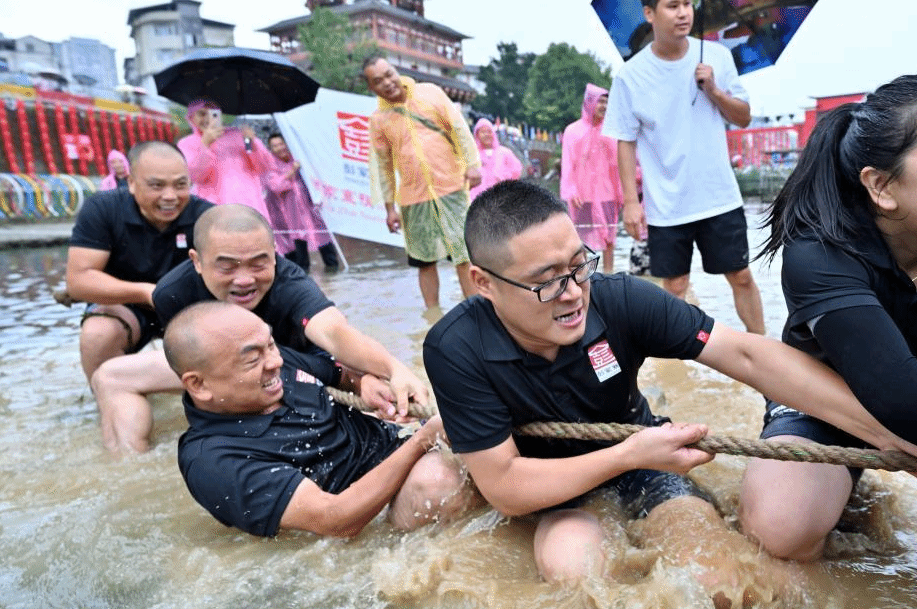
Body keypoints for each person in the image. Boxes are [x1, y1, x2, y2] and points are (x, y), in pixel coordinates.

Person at [422, 180, 916, 598]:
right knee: (576, 572)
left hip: (646, 461)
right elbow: (506, 488)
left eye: (579, 265)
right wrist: (627, 455)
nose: (573, 293)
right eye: (547, 282)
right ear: (482, 283)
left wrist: (888, 429)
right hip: (553, 489)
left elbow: (744, 354)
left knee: (724, 581)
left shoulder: (622, 300)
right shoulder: (455, 349)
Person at [740, 75, 917, 562]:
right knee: (780, 528)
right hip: (827, 404)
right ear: (881, 185)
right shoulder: (819, 253)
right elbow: (907, 403)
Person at [91, 204, 424, 453]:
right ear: (196, 261)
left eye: (259, 262)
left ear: (275, 256)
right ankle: (132, 466)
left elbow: (335, 333)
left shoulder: (289, 282)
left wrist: (392, 369)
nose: (245, 279)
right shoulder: (172, 294)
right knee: (109, 376)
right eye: (227, 266)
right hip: (222, 370)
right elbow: (188, 361)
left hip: (300, 370)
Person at [162, 301, 477, 538]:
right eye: (253, 359)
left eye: (270, 344)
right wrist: (423, 440)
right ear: (199, 385)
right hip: (370, 516)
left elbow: (341, 373)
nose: (275, 362)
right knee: (441, 480)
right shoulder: (212, 460)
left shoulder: (273, 366)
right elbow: (334, 520)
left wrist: (365, 384)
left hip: (397, 448)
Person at [605, 0, 766, 334]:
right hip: (667, 202)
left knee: (741, 275)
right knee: (675, 286)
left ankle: (765, 350)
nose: (683, 13)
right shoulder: (630, 76)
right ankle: (687, 359)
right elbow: (624, 140)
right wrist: (632, 204)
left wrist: (714, 90)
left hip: (718, 193)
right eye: (672, 5)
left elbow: (744, 116)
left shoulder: (717, 57)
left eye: (687, 4)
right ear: (649, 14)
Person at [65, 141, 212, 384]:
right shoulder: (103, 208)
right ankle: (109, 401)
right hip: (126, 303)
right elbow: (78, 281)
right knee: (96, 335)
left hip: (187, 306)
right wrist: (145, 293)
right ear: (131, 183)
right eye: (156, 185)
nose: (170, 196)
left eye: (180, 185)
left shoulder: (206, 216)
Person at [363, 55, 481, 309]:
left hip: (451, 187)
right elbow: (383, 167)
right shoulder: (378, 120)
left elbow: (458, 128)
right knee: (423, 261)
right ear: (372, 88)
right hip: (413, 198)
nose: (387, 82)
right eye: (378, 81)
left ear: (396, 70)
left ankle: (477, 312)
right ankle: (433, 317)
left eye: (389, 73)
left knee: (463, 255)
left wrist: (472, 164)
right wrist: (389, 209)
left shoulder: (430, 93)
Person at [561, 83, 623, 273]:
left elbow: (620, 161)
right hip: (582, 194)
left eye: (606, 102)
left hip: (607, 192)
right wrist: (571, 190)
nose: (603, 106)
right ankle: (584, 276)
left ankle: (609, 274)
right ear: (590, 103)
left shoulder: (612, 130)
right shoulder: (573, 131)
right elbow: (567, 163)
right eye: (599, 101)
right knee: (581, 239)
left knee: (609, 237)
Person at [176, 99, 274, 220]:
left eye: (213, 113)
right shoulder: (187, 143)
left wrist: (250, 141)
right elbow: (196, 176)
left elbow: (260, 167)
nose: (207, 118)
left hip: (249, 204)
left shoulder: (237, 134)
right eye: (202, 114)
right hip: (216, 209)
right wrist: (205, 145)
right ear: (191, 118)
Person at [263, 132, 338, 272]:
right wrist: (292, 171)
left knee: (323, 239)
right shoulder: (271, 166)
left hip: (312, 209)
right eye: (275, 146)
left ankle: (334, 275)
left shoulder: (298, 156)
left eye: (281, 144)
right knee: (299, 254)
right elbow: (276, 186)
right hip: (291, 216)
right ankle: (302, 278)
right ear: (271, 149)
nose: (280, 148)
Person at [468, 118, 523, 201]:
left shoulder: (504, 152)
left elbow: (516, 170)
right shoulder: (472, 155)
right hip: (477, 201)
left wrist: (502, 178)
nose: (487, 134)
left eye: (489, 132)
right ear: (477, 134)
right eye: (483, 132)